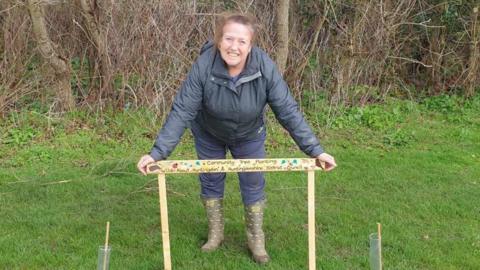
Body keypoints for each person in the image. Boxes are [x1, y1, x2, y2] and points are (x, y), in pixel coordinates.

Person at [137, 13, 337, 264]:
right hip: (209, 133)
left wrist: (315, 150)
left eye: (242, 41)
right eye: (229, 39)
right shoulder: (203, 65)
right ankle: (215, 234)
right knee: (210, 181)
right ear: (219, 40)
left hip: (249, 135)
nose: (234, 46)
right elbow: (182, 111)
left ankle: (256, 238)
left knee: (253, 183)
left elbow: (287, 110)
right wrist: (157, 153)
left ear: (250, 45)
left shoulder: (264, 67)